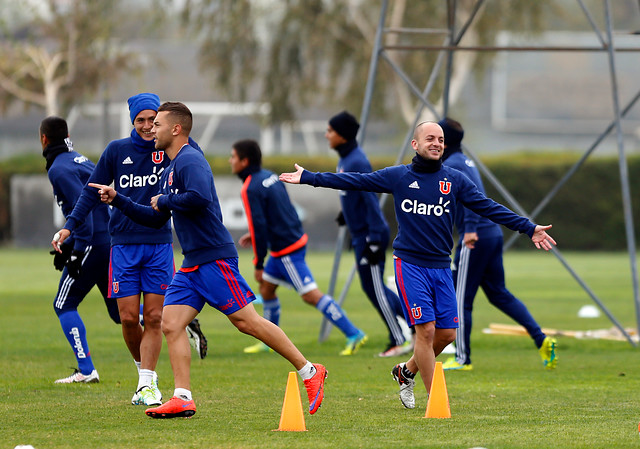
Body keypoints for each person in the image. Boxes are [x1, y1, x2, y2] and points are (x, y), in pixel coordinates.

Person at [279, 121, 556, 409]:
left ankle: (406, 371)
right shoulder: (399, 176)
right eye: (430, 138)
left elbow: (488, 206)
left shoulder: (455, 179)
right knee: (425, 331)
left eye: (441, 139)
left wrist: (528, 227)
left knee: (447, 334)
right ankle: (438, 403)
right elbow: (356, 180)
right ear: (415, 144)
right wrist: (310, 177)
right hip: (409, 264)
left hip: (441, 267)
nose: (436, 143)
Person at [87, 102, 327, 419]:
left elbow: (199, 197)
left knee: (247, 322)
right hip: (191, 266)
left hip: (214, 258)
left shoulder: (190, 160)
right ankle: (183, 396)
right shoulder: (170, 169)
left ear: (176, 129)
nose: (150, 130)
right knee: (170, 324)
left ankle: (310, 371)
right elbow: (155, 218)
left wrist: (166, 199)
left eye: (157, 124)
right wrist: (119, 199)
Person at [51, 93, 207, 407]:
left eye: (153, 119)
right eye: (141, 121)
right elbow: (90, 192)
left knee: (153, 317)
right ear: (133, 122)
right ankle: (145, 374)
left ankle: (146, 383)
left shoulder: (173, 149)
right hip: (121, 246)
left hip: (159, 245)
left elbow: (197, 173)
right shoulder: (116, 150)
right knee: (126, 318)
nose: (148, 126)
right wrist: (69, 225)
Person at [438, 117, 557, 371]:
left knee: (460, 300)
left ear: (444, 141)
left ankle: (461, 358)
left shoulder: (453, 164)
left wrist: (469, 229)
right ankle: (541, 339)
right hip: (491, 234)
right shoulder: (464, 160)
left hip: (476, 236)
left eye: (438, 136)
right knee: (499, 294)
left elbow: (472, 199)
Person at [229, 139, 367, 356]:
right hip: (289, 241)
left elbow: (260, 224)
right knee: (266, 289)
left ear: (244, 161)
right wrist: (256, 234)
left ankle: (354, 333)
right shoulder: (270, 176)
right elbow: (278, 213)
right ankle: (268, 341)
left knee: (310, 295)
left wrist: (258, 263)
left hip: (286, 251)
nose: (230, 161)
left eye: (233, 157)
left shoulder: (250, 187)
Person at [40, 116, 121, 384]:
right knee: (120, 312)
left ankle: (87, 370)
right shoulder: (80, 159)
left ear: (43, 139)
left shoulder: (58, 169)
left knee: (63, 304)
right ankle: (175, 317)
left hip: (92, 243)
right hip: (106, 241)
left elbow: (81, 207)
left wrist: (76, 251)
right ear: (67, 136)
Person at [324, 111, 411, 357]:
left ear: (341, 135)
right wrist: (347, 213)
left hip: (370, 235)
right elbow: (352, 193)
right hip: (361, 233)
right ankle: (421, 326)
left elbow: (370, 202)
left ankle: (398, 338)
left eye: (330, 131)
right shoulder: (346, 159)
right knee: (373, 288)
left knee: (375, 288)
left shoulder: (356, 161)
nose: (326, 135)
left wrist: (373, 239)